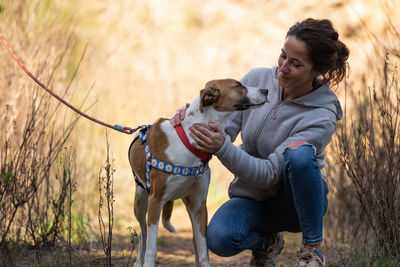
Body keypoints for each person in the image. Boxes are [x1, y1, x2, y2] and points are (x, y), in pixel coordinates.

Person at [170, 18, 349, 267]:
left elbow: (269, 175)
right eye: (283, 56)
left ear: (316, 70)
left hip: (296, 205)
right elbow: (223, 128)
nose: (283, 67)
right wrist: (190, 119)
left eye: (296, 64)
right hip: (253, 198)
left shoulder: (321, 114)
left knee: (300, 156)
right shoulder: (256, 80)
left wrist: (222, 147)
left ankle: (311, 252)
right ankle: (267, 244)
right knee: (219, 238)